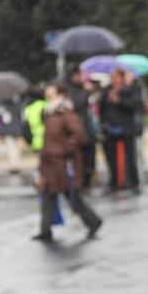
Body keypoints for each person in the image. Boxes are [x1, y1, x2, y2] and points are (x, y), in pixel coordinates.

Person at [32, 83, 102, 242]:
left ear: (60, 95)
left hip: (62, 164)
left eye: (51, 94)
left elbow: (79, 135)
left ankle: (93, 222)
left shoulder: (65, 113)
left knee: (72, 196)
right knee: (48, 194)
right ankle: (45, 230)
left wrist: (63, 150)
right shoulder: (50, 113)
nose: (48, 96)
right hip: (51, 164)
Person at [99, 68, 141, 193]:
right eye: (112, 77)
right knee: (111, 157)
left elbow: (135, 106)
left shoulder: (129, 90)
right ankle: (115, 181)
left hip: (126, 127)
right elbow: (102, 108)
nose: (114, 80)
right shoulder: (107, 90)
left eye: (116, 77)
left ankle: (133, 181)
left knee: (130, 156)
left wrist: (119, 101)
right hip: (110, 127)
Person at [65, 64, 96, 189]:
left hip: (87, 129)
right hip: (78, 129)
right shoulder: (70, 90)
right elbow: (77, 104)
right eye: (77, 75)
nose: (80, 78)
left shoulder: (81, 89)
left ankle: (87, 179)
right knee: (79, 159)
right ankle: (80, 182)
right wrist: (86, 92)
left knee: (89, 158)